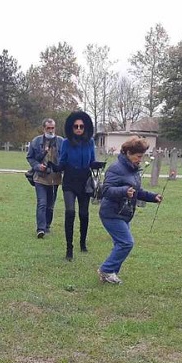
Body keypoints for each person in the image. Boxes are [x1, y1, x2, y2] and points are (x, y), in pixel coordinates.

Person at [97, 138, 162, 284]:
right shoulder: (116, 168)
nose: (140, 159)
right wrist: (124, 191)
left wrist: (153, 197)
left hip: (124, 213)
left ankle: (110, 274)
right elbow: (106, 190)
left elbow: (137, 191)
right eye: (138, 156)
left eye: (142, 156)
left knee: (121, 243)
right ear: (128, 153)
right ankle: (106, 270)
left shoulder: (133, 169)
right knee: (126, 243)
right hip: (111, 213)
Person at [56, 110, 103, 261]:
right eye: (76, 126)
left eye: (81, 126)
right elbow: (62, 162)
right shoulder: (66, 142)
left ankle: (83, 243)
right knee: (70, 213)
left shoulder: (90, 142)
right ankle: (69, 249)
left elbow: (92, 161)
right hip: (70, 181)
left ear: (85, 127)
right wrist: (54, 167)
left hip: (85, 181)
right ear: (71, 127)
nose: (78, 129)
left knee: (84, 214)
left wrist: (98, 165)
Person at [26, 119, 63, 238]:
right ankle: (40, 229)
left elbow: (65, 158)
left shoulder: (61, 141)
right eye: (48, 128)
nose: (51, 130)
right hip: (40, 178)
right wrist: (38, 166)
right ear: (44, 129)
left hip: (55, 179)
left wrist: (61, 167)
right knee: (42, 203)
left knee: (50, 205)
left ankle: (47, 226)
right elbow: (30, 157)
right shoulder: (36, 141)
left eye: (53, 128)